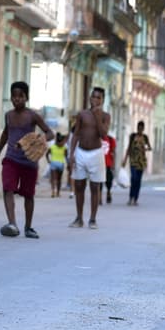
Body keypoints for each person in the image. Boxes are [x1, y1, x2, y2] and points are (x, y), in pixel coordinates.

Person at [0, 82, 55, 238]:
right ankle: (12, 224)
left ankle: (28, 227)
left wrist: (41, 139)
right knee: (7, 188)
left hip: (29, 161)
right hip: (11, 158)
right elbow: (6, 134)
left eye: (20, 96)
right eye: (14, 96)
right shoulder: (8, 115)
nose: (17, 99)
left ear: (27, 97)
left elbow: (50, 133)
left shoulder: (32, 116)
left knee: (28, 195)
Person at [68, 87, 110, 230]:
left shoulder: (105, 116)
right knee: (79, 185)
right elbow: (76, 135)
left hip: (96, 153)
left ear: (103, 100)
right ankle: (79, 218)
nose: (95, 100)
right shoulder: (82, 114)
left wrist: (97, 117)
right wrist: (71, 154)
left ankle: (92, 219)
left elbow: (104, 135)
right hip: (81, 152)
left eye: (99, 98)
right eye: (94, 97)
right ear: (90, 98)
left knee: (94, 187)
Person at [122, 121, 152, 205]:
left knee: (138, 181)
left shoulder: (145, 137)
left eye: (141, 128)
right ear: (137, 127)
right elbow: (128, 148)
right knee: (133, 179)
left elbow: (150, 147)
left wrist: (145, 148)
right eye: (139, 128)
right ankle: (130, 197)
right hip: (133, 161)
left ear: (143, 129)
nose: (140, 129)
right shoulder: (133, 136)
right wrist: (125, 159)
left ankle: (135, 198)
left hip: (141, 162)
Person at [46, 132, 68, 198]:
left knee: (53, 179)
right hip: (61, 164)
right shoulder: (64, 148)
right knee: (59, 179)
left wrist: (48, 161)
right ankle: (58, 192)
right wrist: (68, 164)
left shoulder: (52, 147)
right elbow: (66, 157)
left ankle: (53, 191)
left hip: (53, 163)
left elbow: (47, 154)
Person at [102, 133, 116, 205]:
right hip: (99, 163)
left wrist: (113, 164)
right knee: (98, 181)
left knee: (108, 180)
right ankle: (99, 197)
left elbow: (113, 152)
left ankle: (108, 191)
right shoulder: (97, 138)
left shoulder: (111, 139)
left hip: (108, 164)